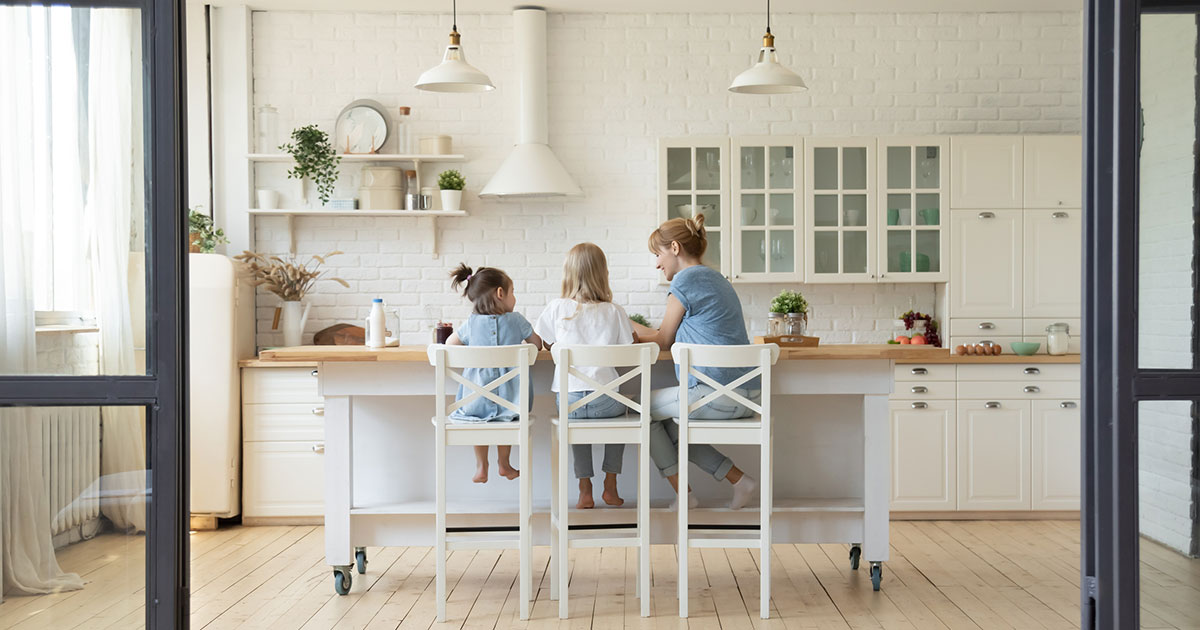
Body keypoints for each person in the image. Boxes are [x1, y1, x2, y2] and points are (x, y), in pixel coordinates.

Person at [629, 215, 758, 510]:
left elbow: (662, 341)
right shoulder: (714, 277)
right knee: (671, 428)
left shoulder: (685, 281)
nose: (657, 263)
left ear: (674, 248)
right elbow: (666, 334)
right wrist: (628, 324)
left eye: (658, 254)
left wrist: (622, 327)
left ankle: (685, 496)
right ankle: (739, 480)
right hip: (746, 395)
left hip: (713, 395)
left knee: (637, 409)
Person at [535, 243, 635, 509]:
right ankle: (610, 485)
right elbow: (629, 347)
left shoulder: (557, 308)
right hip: (606, 402)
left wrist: (557, 346)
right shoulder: (614, 311)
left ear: (568, 273)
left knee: (574, 419)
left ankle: (584, 489)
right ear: (603, 273)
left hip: (569, 401)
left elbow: (543, 342)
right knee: (624, 407)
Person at [444, 263, 542, 484]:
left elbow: (450, 345)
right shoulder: (517, 320)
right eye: (513, 292)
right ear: (500, 293)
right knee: (504, 420)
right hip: (512, 402)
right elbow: (537, 345)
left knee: (479, 422)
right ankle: (504, 464)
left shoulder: (470, 323)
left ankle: (481, 466)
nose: (514, 298)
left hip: (473, 402)